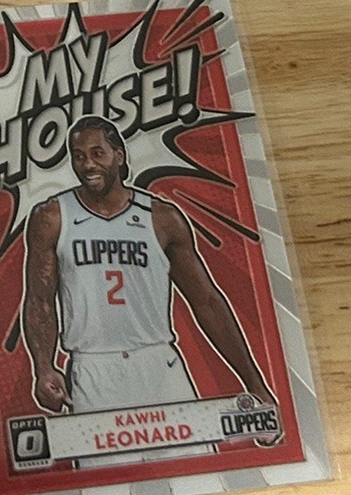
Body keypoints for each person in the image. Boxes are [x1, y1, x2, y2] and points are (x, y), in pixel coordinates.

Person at [21, 117, 280, 464]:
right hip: (93, 370)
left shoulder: (161, 217)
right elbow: (39, 300)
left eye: (97, 153)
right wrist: (43, 366)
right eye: (79, 156)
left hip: (159, 365)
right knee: (109, 486)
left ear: (119, 155)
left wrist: (254, 384)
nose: (88, 164)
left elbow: (206, 301)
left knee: (195, 476)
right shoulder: (52, 216)